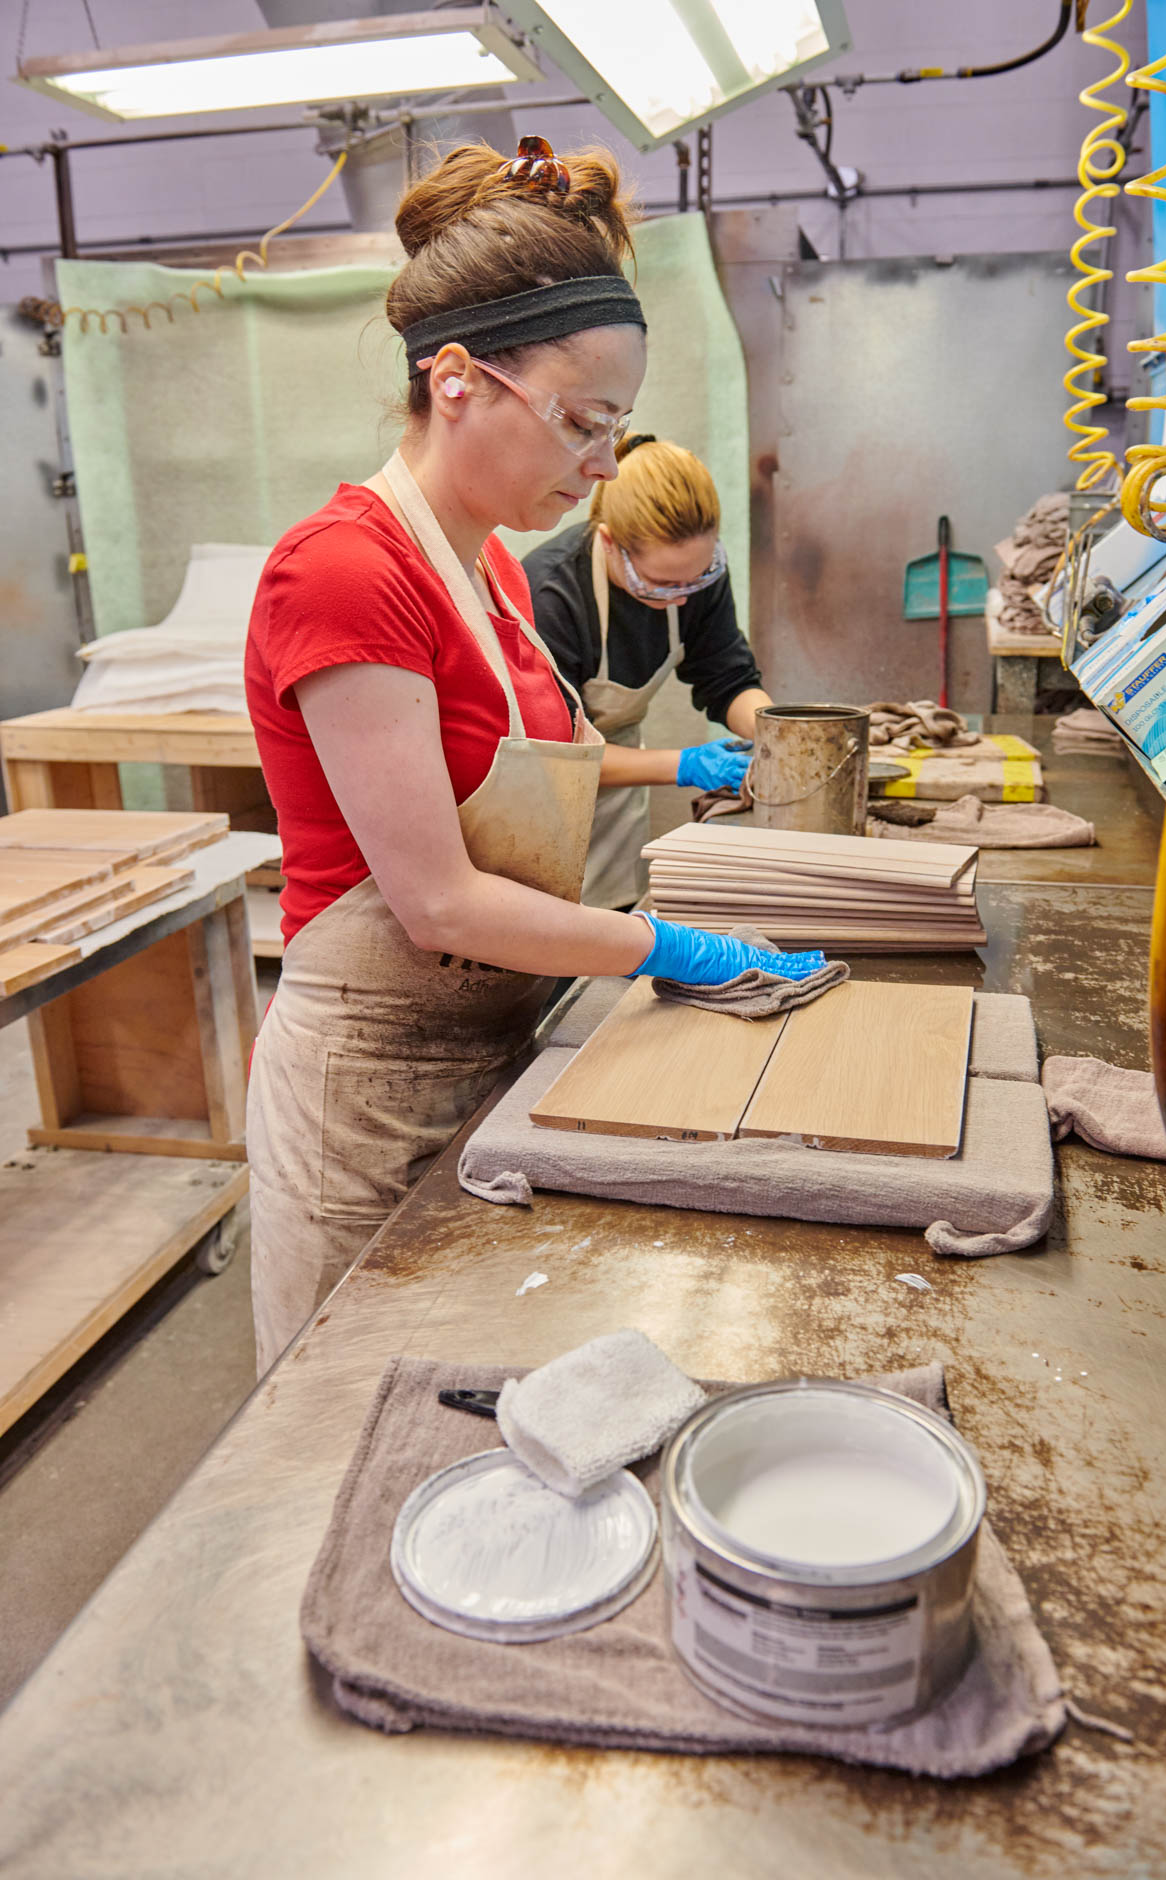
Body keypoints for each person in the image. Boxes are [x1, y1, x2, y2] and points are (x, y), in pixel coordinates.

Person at [242, 136, 826, 1374]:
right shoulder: (346, 571)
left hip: (493, 1041)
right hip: (370, 1088)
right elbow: (438, 898)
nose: (602, 466)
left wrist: (692, 778)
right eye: (580, 423)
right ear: (454, 379)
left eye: (614, 429)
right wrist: (668, 948)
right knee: (352, 1417)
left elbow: (535, 782)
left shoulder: (490, 568)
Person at [523, 437, 774, 908]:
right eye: (660, 585)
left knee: (611, 931)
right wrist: (684, 764)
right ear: (609, 541)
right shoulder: (550, 595)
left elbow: (727, 677)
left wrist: (775, 732)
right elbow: (556, 755)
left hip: (616, 790)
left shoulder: (694, 576)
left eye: (697, 578)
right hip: (540, 801)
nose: (682, 597)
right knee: (548, 947)